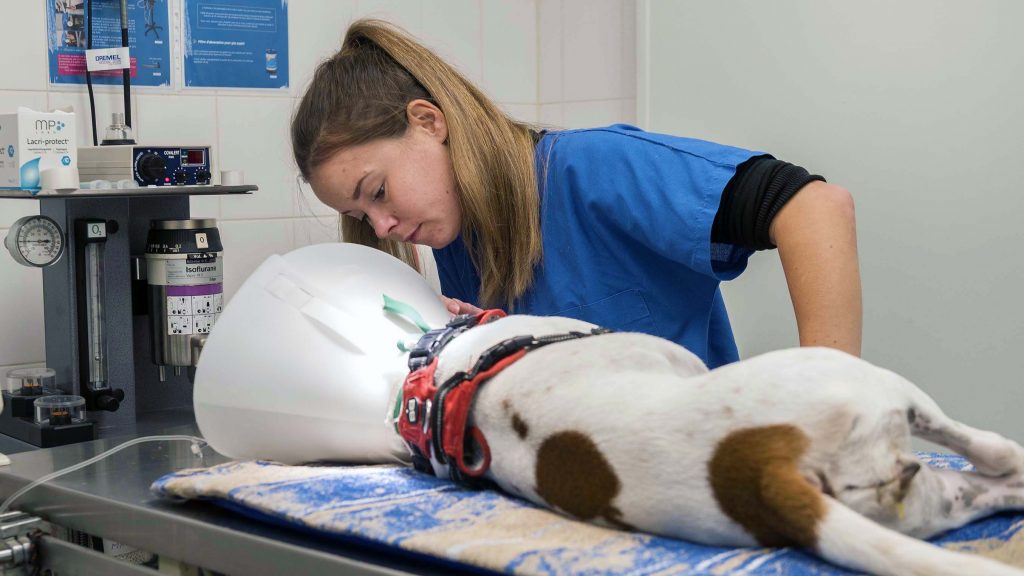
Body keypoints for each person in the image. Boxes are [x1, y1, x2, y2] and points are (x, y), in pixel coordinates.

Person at [291, 19, 861, 369]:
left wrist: (831, 401)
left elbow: (815, 207)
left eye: (379, 192)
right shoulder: (460, 240)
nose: (382, 225)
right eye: (360, 216)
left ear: (428, 122)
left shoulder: (591, 169)